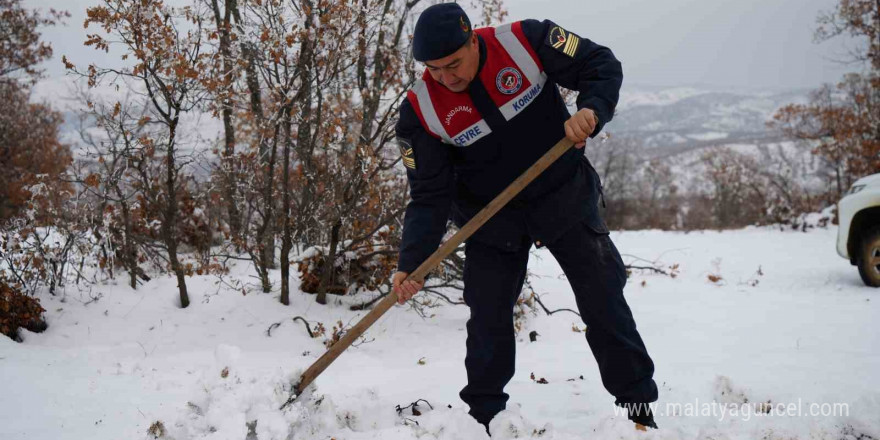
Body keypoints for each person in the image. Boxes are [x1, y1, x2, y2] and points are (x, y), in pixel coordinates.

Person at [391, 2, 658, 432]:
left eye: (453, 64)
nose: (446, 77)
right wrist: (412, 261)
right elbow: (428, 195)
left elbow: (600, 62)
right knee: (488, 318)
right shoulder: (420, 111)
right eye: (434, 69)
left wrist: (591, 109)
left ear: (473, 39)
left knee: (603, 299)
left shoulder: (526, 41)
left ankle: (637, 410)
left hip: (563, 195)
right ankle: (484, 419)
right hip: (491, 220)